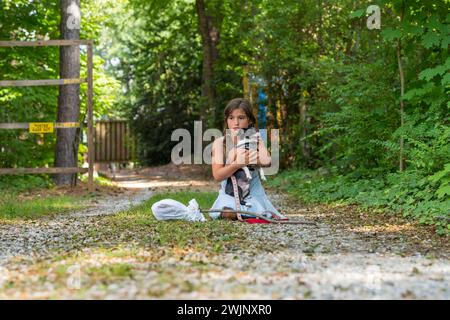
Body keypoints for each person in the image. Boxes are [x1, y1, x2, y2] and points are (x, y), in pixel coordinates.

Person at [209, 98, 281, 220]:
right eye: (231, 118)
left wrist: (253, 159)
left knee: (259, 213)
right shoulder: (220, 143)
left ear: (249, 121)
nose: (236, 122)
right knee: (228, 212)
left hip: (253, 194)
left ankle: (249, 212)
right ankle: (239, 212)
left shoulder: (255, 139)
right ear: (227, 121)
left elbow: (267, 161)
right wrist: (236, 164)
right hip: (229, 195)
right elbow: (217, 175)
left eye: (241, 118)